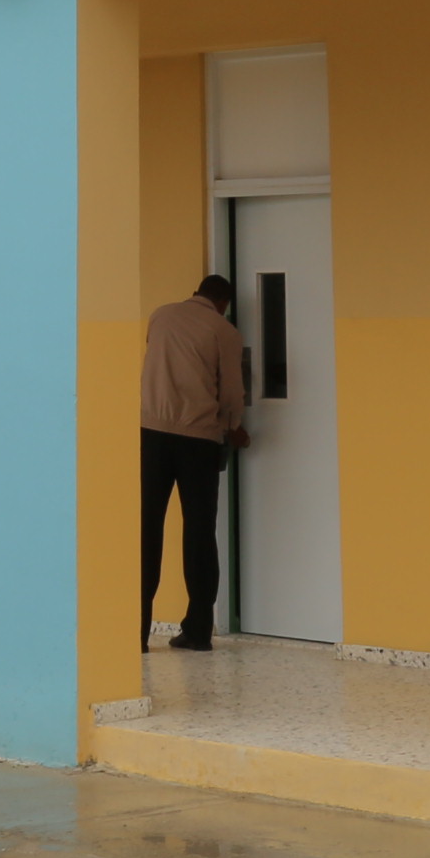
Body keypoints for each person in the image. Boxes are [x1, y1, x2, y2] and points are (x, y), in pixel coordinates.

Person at [139, 272, 247, 651]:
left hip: (150, 434)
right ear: (224, 303)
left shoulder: (160, 315)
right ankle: (198, 631)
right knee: (199, 534)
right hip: (199, 440)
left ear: (195, 293)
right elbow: (231, 391)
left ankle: (137, 631)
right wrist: (234, 427)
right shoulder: (224, 331)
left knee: (146, 530)